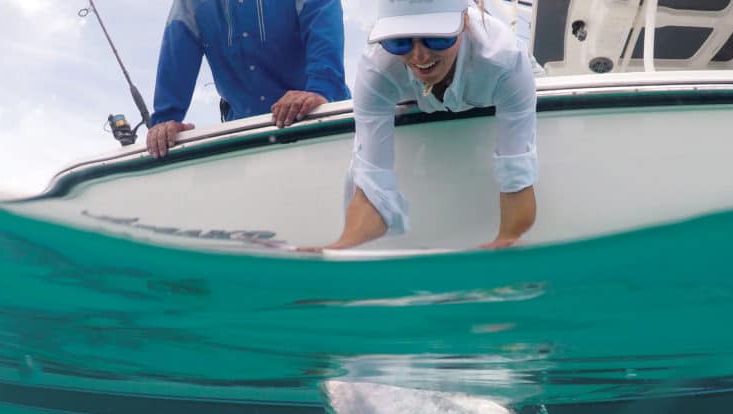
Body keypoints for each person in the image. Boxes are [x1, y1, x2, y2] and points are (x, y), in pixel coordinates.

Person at [311, 0, 537, 251]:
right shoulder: (377, 68)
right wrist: (339, 248)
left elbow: (517, 180)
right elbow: (372, 187)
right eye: (400, 41)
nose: (419, 55)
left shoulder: (505, 60)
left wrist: (505, 240)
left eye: (436, 38)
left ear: (464, 21)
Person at [147, 0, 352, 158]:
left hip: (321, 126)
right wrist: (165, 121)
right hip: (245, 140)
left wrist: (320, 91)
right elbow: (177, 53)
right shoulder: (189, 4)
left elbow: (323, 20)